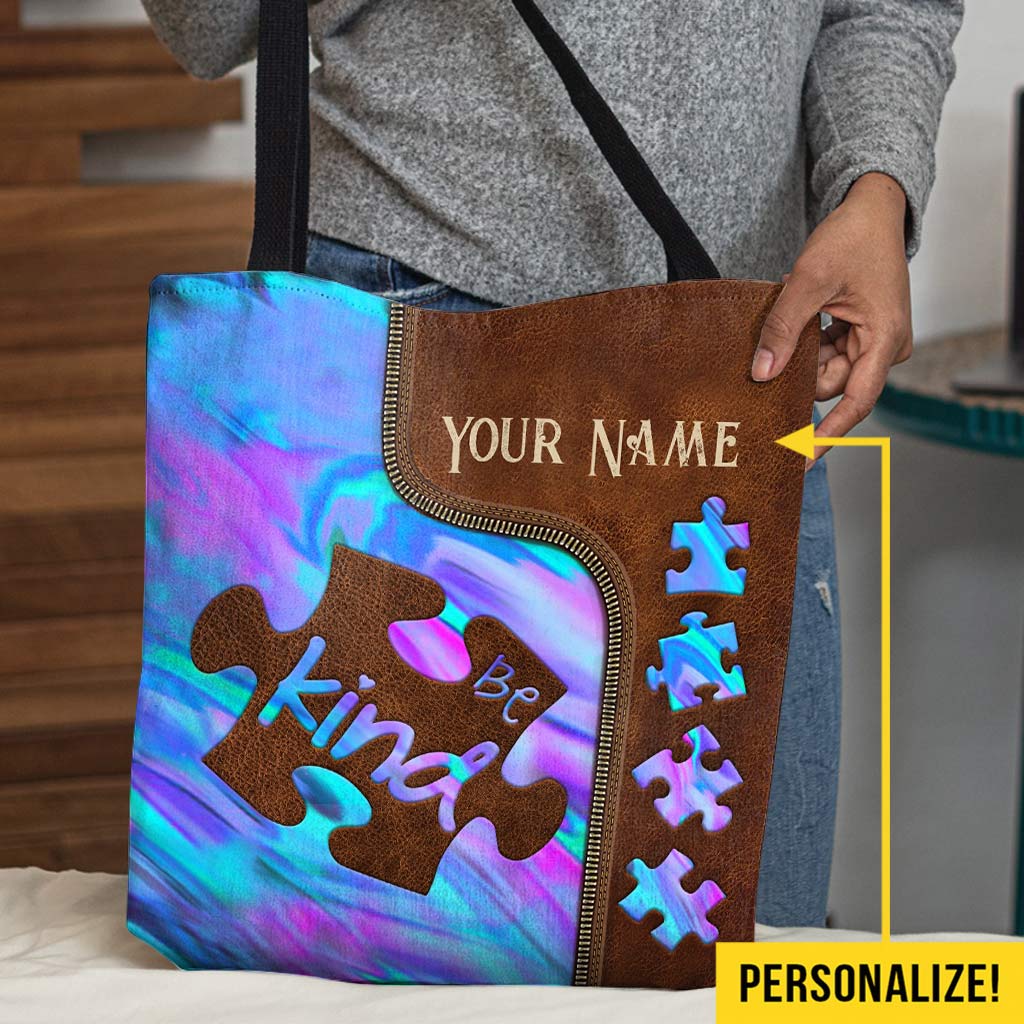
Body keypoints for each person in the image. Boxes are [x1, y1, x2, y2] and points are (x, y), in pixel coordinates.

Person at [141, 0, 962, 927]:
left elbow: (890, 8)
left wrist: (877, 189)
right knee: (346, 948)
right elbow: (203, 29)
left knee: (749, 951)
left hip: (738, 358)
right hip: (409, 307)